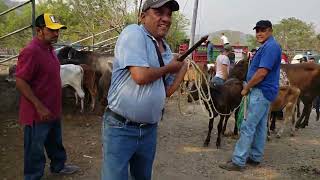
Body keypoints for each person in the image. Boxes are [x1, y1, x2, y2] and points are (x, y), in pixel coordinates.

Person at [102, 0, 187, 180]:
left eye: (169, 14)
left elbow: (166, 92)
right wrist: (170, 68)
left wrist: (182, 68)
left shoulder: (166, 48)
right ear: (143, 16)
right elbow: (140, 76)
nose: (166, 19)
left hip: (149, 129)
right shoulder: (133, 33)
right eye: (159, 13)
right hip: (121, 127)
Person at [15, 13, 79, 180]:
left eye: (58, 30)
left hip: (52, 109)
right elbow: (20, 82)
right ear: (39, 30)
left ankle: (58, 166)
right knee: (34, 149)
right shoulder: (31, 52)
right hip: (37, 114)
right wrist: (39, 106)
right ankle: (33, 176)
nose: (57, 34)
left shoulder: (50, 49)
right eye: (52, 30)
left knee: (55, 142)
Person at [219, 20, 281, 171]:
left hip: (260, 91)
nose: (259, 33)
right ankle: (255, 157)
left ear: (270, 31)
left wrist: (247, 87)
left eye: (263, 30)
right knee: (260, 127)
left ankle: (238, 161)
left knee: (247, 126)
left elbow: (262, 72)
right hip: (265, 92)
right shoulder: (267, 46)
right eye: (257, 30)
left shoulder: (270, 47)